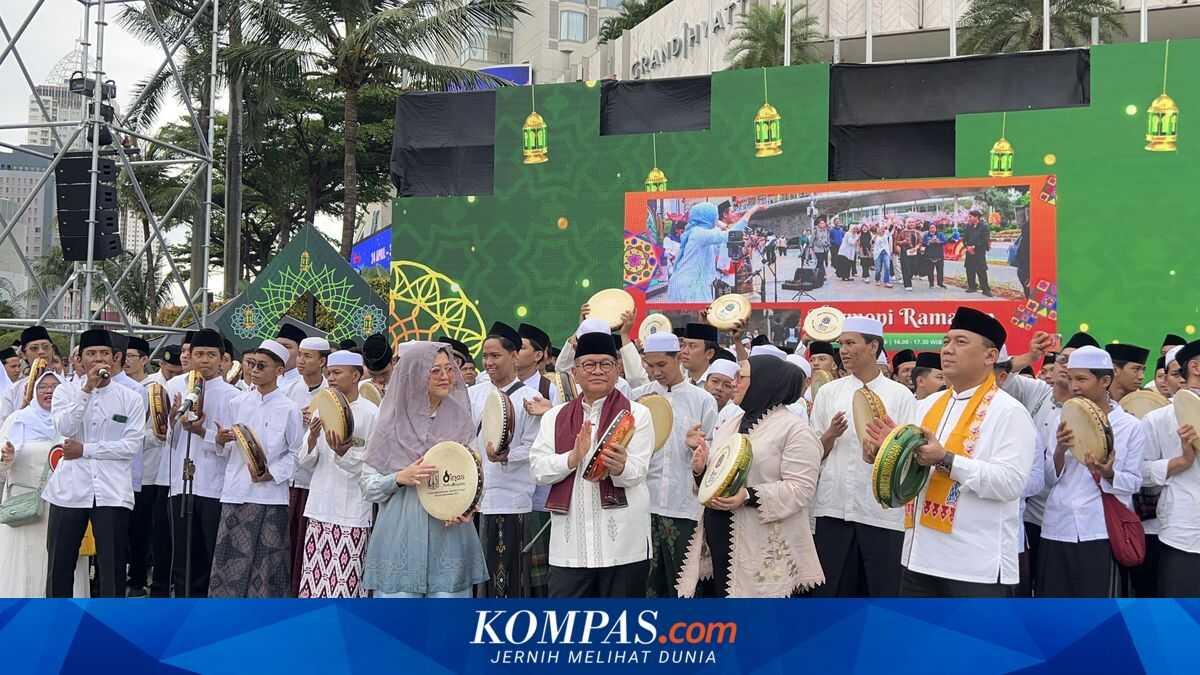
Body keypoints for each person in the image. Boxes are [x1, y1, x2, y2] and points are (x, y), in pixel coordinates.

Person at [870, 307, 1036, 597]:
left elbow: (1011, 483)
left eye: (961, 342)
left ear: (990, 356)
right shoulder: (925, 405)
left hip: (975, 567)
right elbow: (914, 471)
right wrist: (887, 454)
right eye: (946, 341)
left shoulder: (1009, 411)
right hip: (918, 559)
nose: (947, 349)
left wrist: (946, 460)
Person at [677, 355, 824, 597]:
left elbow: (801, 489)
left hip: (762, 541)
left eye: (741, 376)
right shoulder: (732, 423)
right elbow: (720, 477)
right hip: (721, 535)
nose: (734, 383)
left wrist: (748, 495)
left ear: (763, 383)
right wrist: (701, 469)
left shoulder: (794, 430)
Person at [529, 330, 654, 597]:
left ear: (617, 369)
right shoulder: (555, 417)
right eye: (589, 364)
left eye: (605, 364)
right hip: (570, 548)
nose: (597, 370)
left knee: (621, 630)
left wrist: (620, 467)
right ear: (574, 372)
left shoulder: (638, 414)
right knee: (569, 630)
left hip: (624, 546)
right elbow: (538, 469)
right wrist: (572, 458)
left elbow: (639, 472)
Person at [361, 341, 488, 598]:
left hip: (449, 535)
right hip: (401, 535)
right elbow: (367, 485)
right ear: (415, 376)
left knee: (447, 624)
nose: (445, 377)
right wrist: (398, 478)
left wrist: (469, 507)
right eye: (435, 371)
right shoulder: (391, 420)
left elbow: (475, 473)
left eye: (448, 369)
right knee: (400, 624)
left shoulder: (460, 417)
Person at [808, 316, 916, 596]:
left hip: (880, 514)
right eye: (841, 344)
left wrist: (885, 451)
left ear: (873, 346)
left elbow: (911, 455)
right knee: (832, 595)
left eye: (850, 343)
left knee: (882, 595)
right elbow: (811, 452)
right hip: (833, 509)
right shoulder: (828, 393)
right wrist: (830, 434)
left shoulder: (900, 395)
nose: (843, 350)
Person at [45, 328, 146, 598]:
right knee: (60, 565)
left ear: (115, 359)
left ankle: (108, 629)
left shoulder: (131, 398)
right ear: (80, 360)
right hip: (69, 491)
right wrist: (87, 389)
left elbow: (131, 446)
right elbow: (66, 426)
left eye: (104, 353)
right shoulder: (64, 392)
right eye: (91, 354)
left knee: (112, 568)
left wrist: (85, 449)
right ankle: (57, 627)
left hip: (112, 492)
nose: (98, 359)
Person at [1039, 346, 1144, 597]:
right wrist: (1060, 450)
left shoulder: (1130, 426)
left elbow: (1134, 482)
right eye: (1071, 378)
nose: (1074, 386)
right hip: (1057, 526)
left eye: (1082, 379)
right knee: (1054, 611)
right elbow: (1047, 479)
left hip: (1100, 530)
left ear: (1105, 380)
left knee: (1098, 612)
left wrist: (1108, 474)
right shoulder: (1060, 418)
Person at [209, 339, 303, 597]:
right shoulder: (237, 403)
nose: (254, 371)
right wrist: (219, 441)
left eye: (262, 366)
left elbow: (297, 454)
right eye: (251, 364)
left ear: (279, 370)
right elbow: (227, 446)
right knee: (229, 566)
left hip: (270, 497)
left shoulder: (289, 409)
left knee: (267, 566)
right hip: (236, 492)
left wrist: (271, 473)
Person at [632, 332, 717, 597]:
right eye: (649, 365)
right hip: (645, 504)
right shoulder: (639, 399)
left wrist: (699, 448)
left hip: (685, 507)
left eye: (662, 365)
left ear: (679, 358)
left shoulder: (702, 400)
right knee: (646, 582)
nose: (655, 372)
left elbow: (714, 453)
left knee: (684, 584)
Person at [161, 328, 240, 598]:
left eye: (211, 355)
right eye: (199, 354)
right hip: (179, 484)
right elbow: (165, 440)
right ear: (189, 355)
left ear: (222, 359)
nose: (204, 360)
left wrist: (204, 434)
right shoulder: (174, 387)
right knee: (182, 556)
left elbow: (231, 447)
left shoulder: (233, 396)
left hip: (214, 486)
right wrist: (172, 420)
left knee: (209, 555)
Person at [469, 322, 542, 598]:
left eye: (495, 355)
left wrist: (506, 455)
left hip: (510, 500)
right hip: (474, 501)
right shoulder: (472, 394)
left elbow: (534, 447)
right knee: (477, 577)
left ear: (514, 356)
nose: (488, 362)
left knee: (507, 577)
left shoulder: (531, 398)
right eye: (485, 356)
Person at [297, 350, 377, 598]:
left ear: (356, 375)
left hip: (352, 512)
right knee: (314, 584)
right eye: (329, 373)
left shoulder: (372, 413)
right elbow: (305, 462)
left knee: (347, 585)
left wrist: (343, 453)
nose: (330, 378)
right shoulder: (322, 409)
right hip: (320, 508)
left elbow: (373, 468)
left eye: (337, 373)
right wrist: (311, 439)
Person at [0, 371, 88, 597]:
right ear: (33, 391)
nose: (49, 391)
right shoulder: (18, 420)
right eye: (42, 387)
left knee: (61, 561)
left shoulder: (74, 422)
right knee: (24, 564)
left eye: (55, 386)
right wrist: (6, 457)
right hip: (25, 508)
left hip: (64, 506)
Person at [1143, 340, 1200, 595]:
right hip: (1182, 535)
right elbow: (1138, 473)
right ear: (1196, 367)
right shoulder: (1159, 418)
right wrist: (1180, 462)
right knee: (1178, 623)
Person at [285, 336, 331, 596]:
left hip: (313, 479)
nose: (301, 361)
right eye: (300, 355)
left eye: (308, 356)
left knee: (304, 542)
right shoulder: (289, 389)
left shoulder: (329, 393)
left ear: (322, 361)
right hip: (290, 476)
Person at [141, 344, 179, 598]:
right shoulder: (148, 388)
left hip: (174, 473)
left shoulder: (186, 387)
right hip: (149, 466)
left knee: (169, 530)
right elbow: (137, 431)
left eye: (177, 371)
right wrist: (156, 436)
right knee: (149, 527)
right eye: (168, 370)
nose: (172, 375)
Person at [666, 202, 749, 303]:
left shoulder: (700, 232)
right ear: (707, 217)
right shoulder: (699, 233)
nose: (716, 219)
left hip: (693, 284)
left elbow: (722, 238)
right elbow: (727, 235)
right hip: (690, 287)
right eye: (714, 216)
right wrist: (751, 212)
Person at [0, 325, 56, 422]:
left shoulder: (66, 386)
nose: (41, 352)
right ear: (24, 354)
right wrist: (25, 406)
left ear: (52, 351)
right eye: (34, 348)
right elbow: (4, 428)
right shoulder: (13, 391)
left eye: (46, 347)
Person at [963, 209, 992, 296]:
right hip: (969, 252)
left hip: (979, 252)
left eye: (970, 217)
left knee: (981, 270)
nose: (969, 218)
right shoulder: (968, 227)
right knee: (969, 269)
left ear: (976, 217)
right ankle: (972, 287)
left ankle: (985, 289)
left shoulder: (984, 227)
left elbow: (984, 240)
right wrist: (967, 247)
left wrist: (974, 247)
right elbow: (964, 239)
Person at [275, 323, 307, 389]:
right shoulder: (270, 378)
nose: (280, 350)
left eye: (286, 346)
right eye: (277, 345)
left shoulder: (306, 382)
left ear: (300, 352)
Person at [922, 222, 946, 289]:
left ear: (936, 228)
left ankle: (940, 283)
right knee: (930, 270)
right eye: (931, 228)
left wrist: (938, 241)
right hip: (929, 255)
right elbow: (923, 243)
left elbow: (945, 241)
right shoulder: (926, 235)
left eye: (934, 228)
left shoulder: (940, 234)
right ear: (929, 229)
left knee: (940, 270)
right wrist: (929, 242)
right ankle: (931, 283)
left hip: (939, 254)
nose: (932, 229)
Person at [872, 224, 893, 288]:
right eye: (880, 228)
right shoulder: (875, 236)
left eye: (883, 228)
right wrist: (876, 235)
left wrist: (890, 252)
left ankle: (887, 281)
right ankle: (877, 279)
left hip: (886, 253)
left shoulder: (887, 235)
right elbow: (872, 243)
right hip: (877, 254)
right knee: (878, 269)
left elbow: (890, 243)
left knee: (887, 267)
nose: (882, 230)